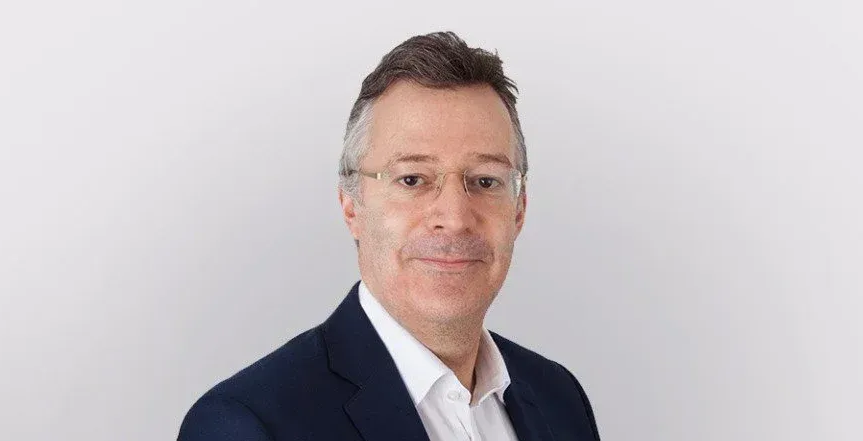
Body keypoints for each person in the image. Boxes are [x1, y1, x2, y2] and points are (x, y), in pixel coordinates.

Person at [178, 31, 600, 441]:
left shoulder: (558, 397)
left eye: (485, 181)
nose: (454, 218)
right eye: (412, 179)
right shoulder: (245, 426)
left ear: (519, 209)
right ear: (352, 206)